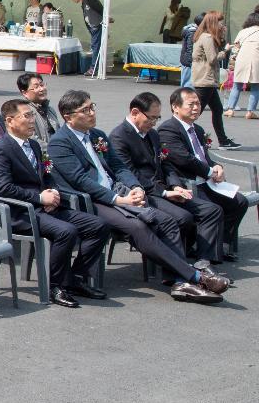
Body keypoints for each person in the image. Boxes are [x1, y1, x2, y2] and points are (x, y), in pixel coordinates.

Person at [48, 90, 231, 304]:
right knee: (139, 227)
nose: (92, 113)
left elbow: (118, 166)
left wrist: (135, 187)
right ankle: (195, 277)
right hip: (92, 201)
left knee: (168, 221)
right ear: (68, 117)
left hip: (118, 192)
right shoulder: (60, 143)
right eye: (85, 110)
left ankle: (179, 282)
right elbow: (81, 181)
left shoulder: (97, 135)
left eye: (92, 107)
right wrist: (119, 200)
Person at [0, 98, 111, 309]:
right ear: (10, 121)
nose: (32, 120)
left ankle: (75, 277)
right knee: (66, 232)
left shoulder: (34, 145)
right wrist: (38, 198)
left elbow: (47, 174)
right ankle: (55, 286)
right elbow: (4, 188)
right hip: (21, 212)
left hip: (46, 208)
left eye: (32, 115)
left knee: (99, 225)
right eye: (26, 116)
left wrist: (52, 191)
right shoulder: (1, 149)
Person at [110, 92, 225, 265]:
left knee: (211, 210)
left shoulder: (152, 134)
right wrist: (164, 192)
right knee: (183, 218)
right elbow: (131, 174)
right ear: (135, 113)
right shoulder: (119, 137)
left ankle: (203, 260)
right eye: (151, 118)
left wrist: (175, 185)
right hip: (145, 193)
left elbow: (166, 163)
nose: (154, 123)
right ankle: (176, 264)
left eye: (157, 118)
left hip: (165, 188)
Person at [158, 87, 249, 264]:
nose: (196, 108)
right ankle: (205, 257)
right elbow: (184, 159)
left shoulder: (197, 129)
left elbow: (204, 157)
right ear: (175, 107)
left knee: (239, 202)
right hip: (188, 183)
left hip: (206, 181)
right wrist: (210, 171)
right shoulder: (168, 130)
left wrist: (217, 166)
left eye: (198, 104)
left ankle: (221, 243)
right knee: (213, 209)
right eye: (191, 104)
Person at [190, 11, 241, 149]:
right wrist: (225, 51)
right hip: (205, 79)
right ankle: (180, 135)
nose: (222, 25)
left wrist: (222, 39)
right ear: (213, 22)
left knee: (217, 110)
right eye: (220, 22)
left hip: (206, 79)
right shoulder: (207, 38)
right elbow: (212, 59)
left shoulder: (204, 36)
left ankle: (223, 141)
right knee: (194, 112)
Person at [224, 11, 259, 117]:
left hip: (241, 60)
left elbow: (236, 48)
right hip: (256, 59)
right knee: (256, 86)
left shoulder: (242, 32)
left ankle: (230, 109)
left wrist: (231, 63)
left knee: (237, 85)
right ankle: (250, 112)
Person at [68, 0, 106, 76]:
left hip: (97, 25)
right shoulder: (84, 1)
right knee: (94, 46)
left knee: (96, 47)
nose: (72, 0)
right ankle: (95, 67)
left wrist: (104, 19)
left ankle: (94, 68)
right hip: (93, 27)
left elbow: (101, 9)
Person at [17, 72, 61, 144]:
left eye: (42, 85)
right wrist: (53, 150)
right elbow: (32, 140)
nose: (42, 89)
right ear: (25, 93)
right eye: (36, 87)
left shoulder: (50, 110)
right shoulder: (25, 114)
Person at [180, 12, 201, 87]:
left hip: (187, 61)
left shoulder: (191, 30)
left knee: (186, 84)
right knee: (187, 85)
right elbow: (190, 49)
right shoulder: (192, 31)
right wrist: (191, 63)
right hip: (188, 62)